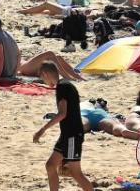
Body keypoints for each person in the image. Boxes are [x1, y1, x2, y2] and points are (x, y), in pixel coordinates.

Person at [33, 62, 94, 191]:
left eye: (42, 78)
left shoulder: (62, 87)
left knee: (76, 173)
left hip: (72, 135)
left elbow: (62, 113)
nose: (43, 81)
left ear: (45, 74)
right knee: (50, 165)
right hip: (67, 135)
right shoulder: (66, 85)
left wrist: (42, 129)